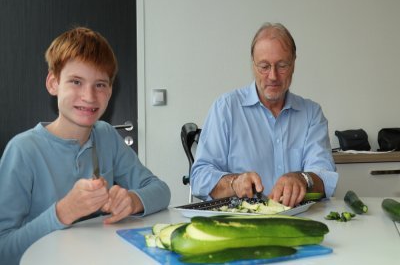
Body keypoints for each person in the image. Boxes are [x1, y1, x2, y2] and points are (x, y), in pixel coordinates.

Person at [0, 27, 171, 264]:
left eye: (100, 84)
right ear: (53, 83)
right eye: (76, 82)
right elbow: (4, 249)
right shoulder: (22, 150)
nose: (89, 96)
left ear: (110, 91)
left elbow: (160, 190)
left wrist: (132, 201)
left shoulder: (106, 135)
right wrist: (62, 213)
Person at [190, 22, 338, 207]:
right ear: (253, 65)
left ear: (293, 64)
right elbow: (199, 177)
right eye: (264, 66)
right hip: (242, 224)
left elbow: (324, 176)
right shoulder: (225, 108)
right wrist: (234, 183)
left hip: (300, 220)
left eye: (282, 65)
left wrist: (303, 179)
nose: (273, 76)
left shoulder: (311, 114)